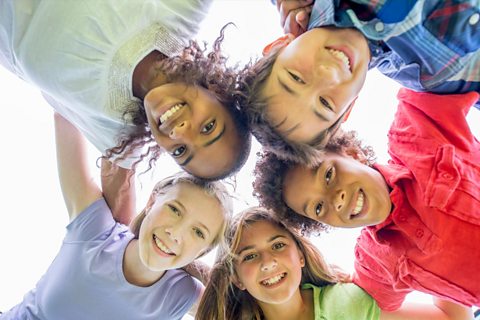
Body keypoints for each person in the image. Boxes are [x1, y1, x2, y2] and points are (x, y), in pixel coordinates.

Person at [0, 0, 251, 223]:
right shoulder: (179, 12)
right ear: (220, 94)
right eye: (208, 127)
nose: (180, 132)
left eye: (181, 151)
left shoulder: (113, 125)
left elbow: (118, 226)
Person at [253, 89, 480, 312]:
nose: (336, 201)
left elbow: (452, 67)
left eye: (329, 175)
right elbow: (362, 305)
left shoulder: (415, 132)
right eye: (319, 207)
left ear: (352, 154)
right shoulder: (375, 263)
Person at [0, 113, 233, 320]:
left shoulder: (183, 295)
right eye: (174, 209)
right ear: (153, 200)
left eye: (198, 232)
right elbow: (65, 112)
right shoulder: (95, 229)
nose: (175, 233)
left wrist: (207, 275)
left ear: (204, 251)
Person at [239, 0, 479, 162]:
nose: (328, 74)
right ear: (348, 109)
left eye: (295, 77)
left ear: (280, 45)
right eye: (325, 104)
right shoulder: (437, 81)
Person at [196, 206, 473, 320]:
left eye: (278, 245)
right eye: (250, 255)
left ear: (300, 256)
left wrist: (445, 234)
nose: (268, 262)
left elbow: (449, 317)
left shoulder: (344, 302)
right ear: (236, 279)